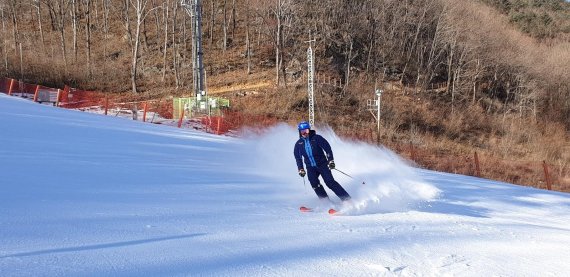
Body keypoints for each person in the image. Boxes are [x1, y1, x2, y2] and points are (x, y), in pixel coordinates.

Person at [293, 121, 351, 201]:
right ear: (300, 132)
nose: (304, 133)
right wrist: (301, 169)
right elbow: (298, 158)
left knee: (330, 182)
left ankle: (347, 200)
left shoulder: (317, 138)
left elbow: (327, 149)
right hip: (310, 168)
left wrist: (330, 160)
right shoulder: (299, 144)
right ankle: (325, 202)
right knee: (314, 184)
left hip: (322, 165)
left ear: (309, 130)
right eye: (302, 131)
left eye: (306, 131)